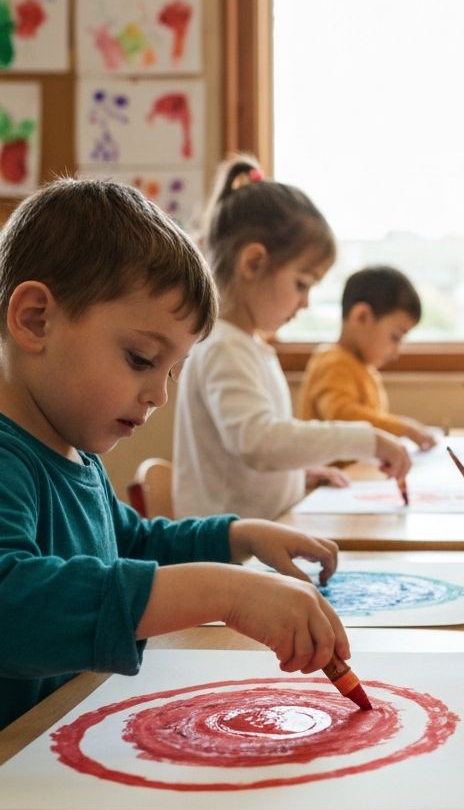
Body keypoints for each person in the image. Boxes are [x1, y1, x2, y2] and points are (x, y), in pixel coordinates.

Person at [0, 178, 356, 731]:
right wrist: (224, 592)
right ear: (35, 319)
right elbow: (13, 608)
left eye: (171, 370)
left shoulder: (75, 455)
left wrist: (240, 536)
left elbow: (135, 544)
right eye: (142, 359)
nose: (160, 395)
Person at [173, 156, 411, 520]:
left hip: (253, 543)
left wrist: (296, 476)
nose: (305, 303)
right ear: (253, 263)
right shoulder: (223, 347)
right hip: (227, 556)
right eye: (301, 284)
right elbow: (258, 442)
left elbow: (246, 456)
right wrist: (367, 438)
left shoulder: (246, 346)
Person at [298, 265, 436, 450]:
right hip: (337, 475)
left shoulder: (360, 367)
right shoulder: (334, 363)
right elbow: (340, 415)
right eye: (395, 337)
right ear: (361, 317)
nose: (396, 352)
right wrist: (402, 428)